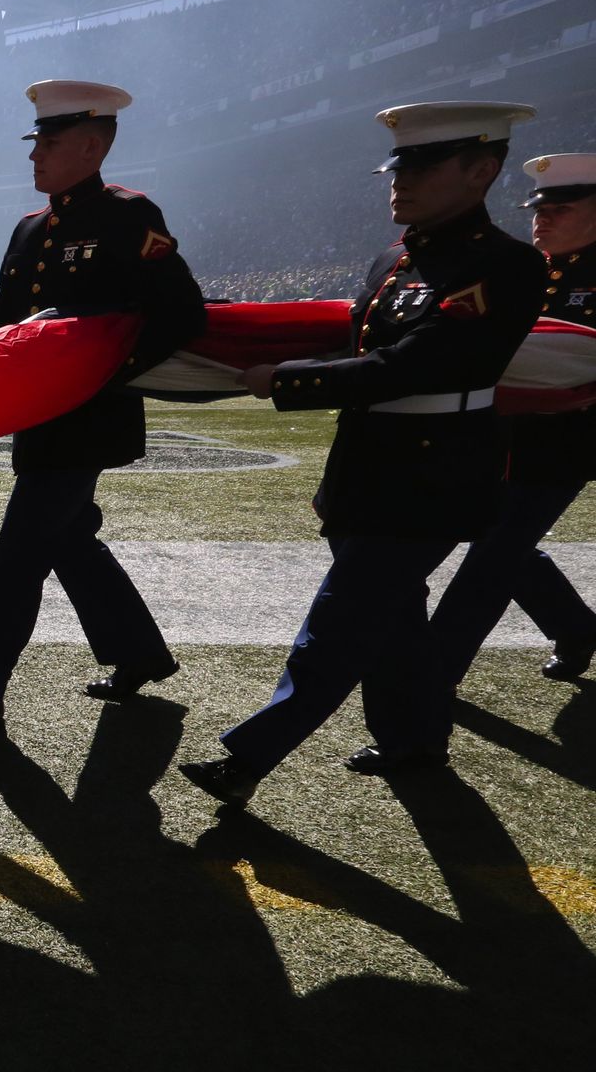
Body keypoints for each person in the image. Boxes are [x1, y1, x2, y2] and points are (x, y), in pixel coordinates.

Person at [180, 102, 546, 805]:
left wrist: (287, 381)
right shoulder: (397, 258)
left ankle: (247, 760)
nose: (399, 182)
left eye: (423, 167)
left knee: (339, 625)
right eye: (398, 167)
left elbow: (416, 366)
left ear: (481, 170)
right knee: (396, 621)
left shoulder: (505, 264)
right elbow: (363, 353)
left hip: (435, 474)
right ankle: (415, 741)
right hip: (368, 465)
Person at [0, 80, 204, 736]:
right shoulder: (29, 230)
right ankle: (138, 654)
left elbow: (182, 310)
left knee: (15, 560)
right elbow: (1, 321)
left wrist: (103, 372)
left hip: (91, 421)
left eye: (50, 141)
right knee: (70, 542)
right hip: (40, 418)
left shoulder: (130, 217)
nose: (34, 154)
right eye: (35, 140)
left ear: (93, 146)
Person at [427, 152, 596, 684]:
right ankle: (577, 627)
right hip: (494, 431)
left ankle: (428, 676)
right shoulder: (517, 267)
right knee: (501, 543)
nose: (542, 218)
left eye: (561, 209)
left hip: (565, 440)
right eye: (538, 209)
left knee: (492, 556)